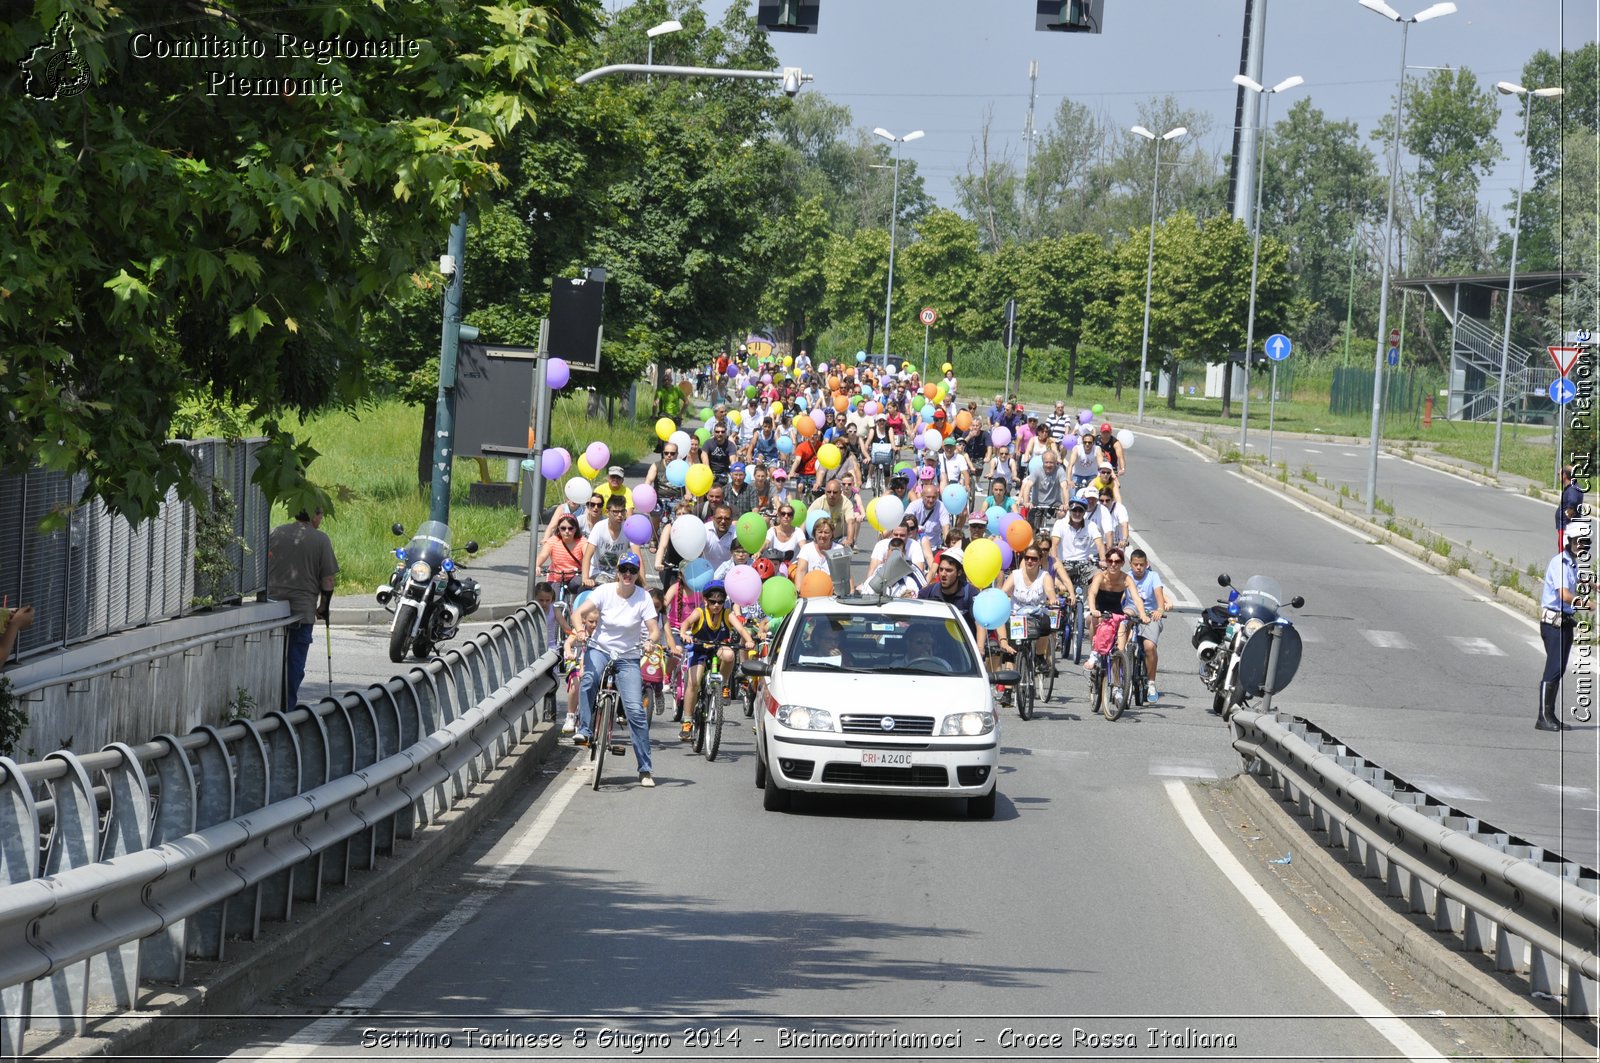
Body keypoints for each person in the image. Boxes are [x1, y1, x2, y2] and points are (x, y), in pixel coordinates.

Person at [573, 552, 662, 786]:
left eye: (633, 571)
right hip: (600, 648)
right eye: (624, 570)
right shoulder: (604, 591)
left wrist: (650, 641)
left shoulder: (643, 597)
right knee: (589, 679)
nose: (628, 575)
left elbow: (654, 629)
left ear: (637, 574)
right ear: (618, 571)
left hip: (628, 655)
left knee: (635, 709)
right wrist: (580, 630)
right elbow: (578, 613)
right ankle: (585, 729)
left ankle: (645, 769)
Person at [267, 507, 338, 710]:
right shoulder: (320, 540)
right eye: (321, 515)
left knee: (273, 663)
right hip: (302, 611)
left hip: (272, 609)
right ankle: (287, 709)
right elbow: (328, 580)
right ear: (315, 515)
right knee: (294, 665)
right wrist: (324, 607)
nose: (321, 519)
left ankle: (270, 707)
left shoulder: (276, 532)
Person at [677, 579, 755, 741]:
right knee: (694, 682)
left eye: (720, 601)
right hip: (699, 649)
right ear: (706, 600)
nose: (717, 605)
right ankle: (687, 721)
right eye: (713, 601)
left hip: (718, 647)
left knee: (729, 655)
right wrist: (684, 634)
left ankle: (724, 684)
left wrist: (749, 640)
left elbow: (740, 629)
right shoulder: (699, 612)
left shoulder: (727, 613)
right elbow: (686, 622)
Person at [1537, 521, 1592, 731]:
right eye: (1579, 542)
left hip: (1565, 622)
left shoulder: (1572, 563)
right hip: (1554, 623)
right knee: (1554, 668)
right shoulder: (1560, 563)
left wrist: (1593, 584)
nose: (1582, 546)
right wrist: (1589, 604)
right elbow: (1565, 595)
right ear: (1569, 541)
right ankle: (1543, 717)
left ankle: (1550, 714)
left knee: (1558, 669)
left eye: (1585, 542)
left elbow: (1577, 580)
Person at [1083, 547, 1149, 672]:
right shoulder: (1100, 577)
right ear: (1106, 562)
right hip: (1099, 611)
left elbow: (1137, 598)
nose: (1113, 564)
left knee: (1119, 651)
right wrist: (1093, 609)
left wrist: (1143, 614)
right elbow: (1092, 594)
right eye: (1110, 561)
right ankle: (1094, 653)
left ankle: (1118, 687)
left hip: (1116, 614)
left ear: (1122, 563)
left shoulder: (1126, 579)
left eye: (1117, 562)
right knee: (1094, 619)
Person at [999, 544, 1059, 674]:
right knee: (1012, 649)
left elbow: (1049, 590)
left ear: (1039, 561)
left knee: (1046, 623)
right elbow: (1004, 591)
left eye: (1034, 559)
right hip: (1017, 615)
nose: (1030, 561)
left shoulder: (1045, 576)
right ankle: (1008, 691)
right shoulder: (1015, 575)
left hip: (1036, 614)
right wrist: (1000, 597)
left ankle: (1039, 656)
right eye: (1027, 558)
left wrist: (1052, 598)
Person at [1125, 548, 1173, 702]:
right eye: (1135, 564)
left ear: (1146, 564)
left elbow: (1159, 595)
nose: (1138, 568)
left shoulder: (1153, 576)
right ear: (1130, 564)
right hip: (1132, 610)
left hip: (1151, 614)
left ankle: (1151, 682)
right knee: (1124, 621)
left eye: (1141, 564)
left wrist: (1159, 609)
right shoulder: (1126, 577)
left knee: (1149, 647)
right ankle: (1122, 662)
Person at [917, 545, 980, 634]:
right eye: (941, 569)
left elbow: (980, 624)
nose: (943, 574)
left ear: (959, 572)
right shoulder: (926, 593)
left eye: (949, 570)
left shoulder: (971, 594)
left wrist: (980, 647)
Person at [581, 494, 631, 587]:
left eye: (622, 511)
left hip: (619, 574)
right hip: (598, 572)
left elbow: (637, 555)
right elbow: (587, 555)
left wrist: (643, 584)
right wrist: (585, 579)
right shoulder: (599, 527)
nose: (620, 515)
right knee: (603, 585)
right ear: (607, 512)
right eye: (615, 512)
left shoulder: (628, 528)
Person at [1019, 453, 1069, 533]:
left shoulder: (1060, 470)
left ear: (1055, 462)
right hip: (1037, 503)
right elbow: (1028, 486)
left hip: (1055, 503)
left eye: (1051, 462)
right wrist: (1026, 502)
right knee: (1033, 527)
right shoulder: (1037, 471)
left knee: (1062, 513)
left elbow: (1064, 488)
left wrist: (1065, 504)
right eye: (1046, 462)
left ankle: (1056, 533)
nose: (1048, 465)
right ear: (1043, 462)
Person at [536, 514, 587, 593]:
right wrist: (537, 565)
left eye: (570, 528)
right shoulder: (552, 541)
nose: (567, 531)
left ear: (576, 529)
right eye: (563, 528)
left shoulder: (582, 541)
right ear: (558, 528)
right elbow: (542, 555)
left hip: (575, 576)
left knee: (579, 585)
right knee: (552, 597)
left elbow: (588, 556)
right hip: (556, 577)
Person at [1559, 466, 1585, 550]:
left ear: (1564, 475)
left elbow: (1572, 502)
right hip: (1566, 526)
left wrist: (1568, 519)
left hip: (1567, 527)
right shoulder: (1572, 487)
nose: (1558, 475)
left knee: (1564, 550)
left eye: (1559, 474)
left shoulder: (1572, 489)